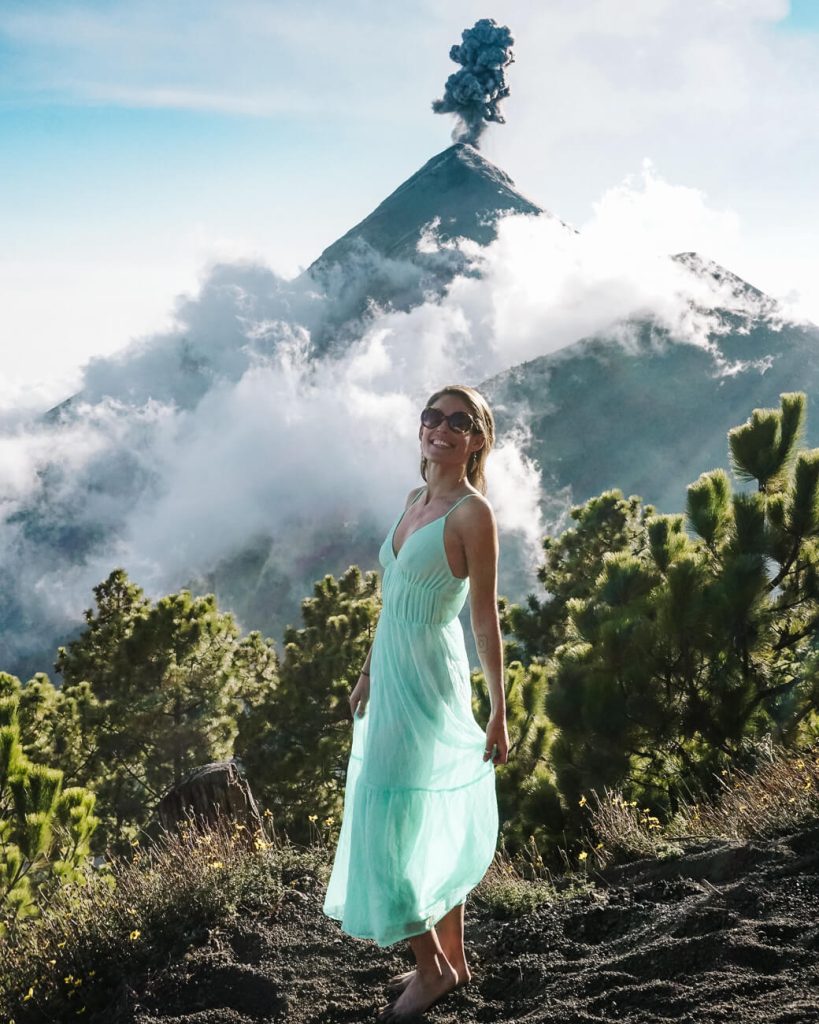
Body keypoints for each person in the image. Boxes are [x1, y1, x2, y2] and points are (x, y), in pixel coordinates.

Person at [322, 384, 509, 1021]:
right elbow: (393, 599)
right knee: (413, 813)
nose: (443, 428)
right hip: (393, 671)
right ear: (421, 427)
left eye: (460, 421)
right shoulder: (414, 499)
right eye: (434, 417)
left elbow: (484, 619)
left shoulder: (470, 513)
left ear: (477, 438)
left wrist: (499, 708)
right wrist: (368, 671)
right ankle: (450, 963)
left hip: (430, 679)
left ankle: (429, 972)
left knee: (391, 825)